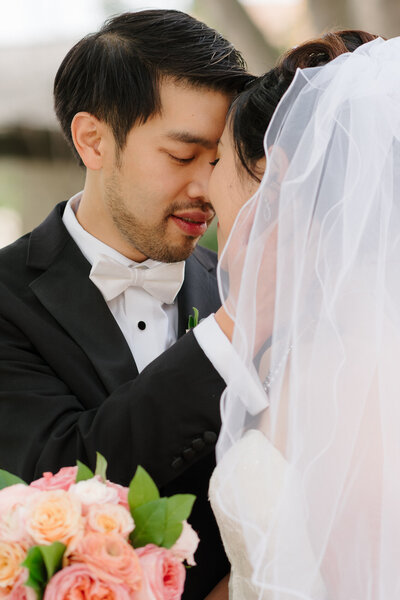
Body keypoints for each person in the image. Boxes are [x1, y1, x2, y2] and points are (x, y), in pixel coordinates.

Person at [0, 10, 252, 599]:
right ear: (93, 139)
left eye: (219, 161)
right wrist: (228, 333)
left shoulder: (235, 286)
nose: (206, 188)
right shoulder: (6, 298)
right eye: (183, 156)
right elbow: (58, 476)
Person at [197, 29, 397, 599]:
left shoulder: (360, 366)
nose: (208, 188)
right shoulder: (305, 336)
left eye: (217, 161)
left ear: (278, 171)